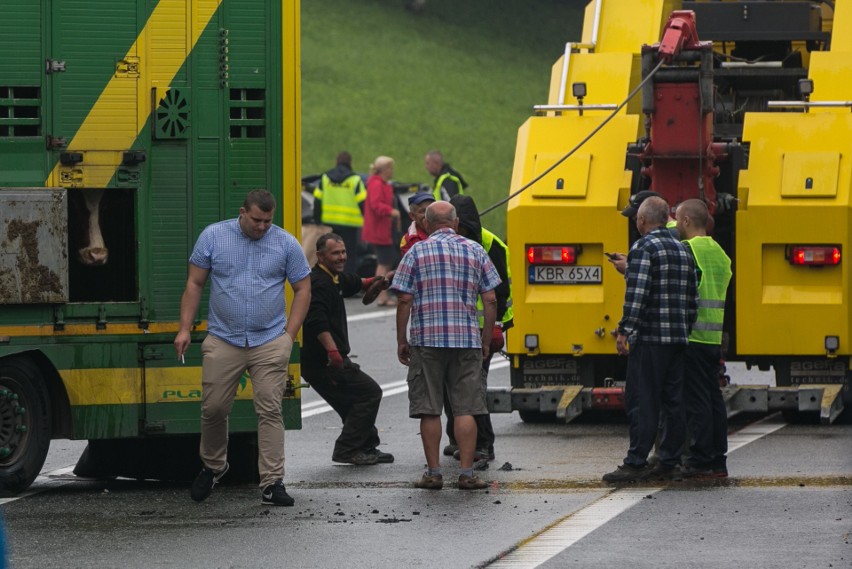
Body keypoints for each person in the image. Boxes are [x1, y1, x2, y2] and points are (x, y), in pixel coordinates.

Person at [174, 189, 311, 506]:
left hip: (269, 339)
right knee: (214, 408)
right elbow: (195, 283)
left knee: (269, 409)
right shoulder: (214, 236)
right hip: (224, 337)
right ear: (242, 212)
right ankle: (213, 466)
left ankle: (272, 481)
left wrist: (289, 336)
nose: (262, 226)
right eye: (257, 220)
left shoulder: (285, 242)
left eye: (268, 220)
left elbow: (303, 288)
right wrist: (184, 328)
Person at [392, 201, 501, 491]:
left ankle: (434, 473)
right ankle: (466, 473)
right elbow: (490, 299)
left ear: (426, 225)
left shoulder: (416, 251)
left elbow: (404, 299)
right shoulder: (476, 250)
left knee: (429, 409)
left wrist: (402, 340)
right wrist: (485, 339)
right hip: (466, 341)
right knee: (465, 408)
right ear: (454, 223)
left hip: (427, 341)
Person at [602, 196, 698, 483]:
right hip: (678, 339)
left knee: (642, 400)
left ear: (642, 220)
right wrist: (685, 328)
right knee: (672, 402)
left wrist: (624, 330)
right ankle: (669, 460)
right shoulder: (683, 250)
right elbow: (693, 297)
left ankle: (636, 461)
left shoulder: (643, 246)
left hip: (651, 339)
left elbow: (638, 293)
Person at [300, 233, 395, 466]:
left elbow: (354, 282)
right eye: (335, 253)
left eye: (343, 252)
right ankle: (347, 449)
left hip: (328, 359)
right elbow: (317, 321)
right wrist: (333, 353)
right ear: (320, 256)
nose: (342, 257)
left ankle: (366, 446)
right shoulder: (319, 283)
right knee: (370, 393)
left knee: (351, 402)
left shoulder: (333, 278)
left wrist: (376, 281)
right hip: (322, 360)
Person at [443, 194, 513, 462]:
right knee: (453, 387)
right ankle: (461, 438)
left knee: (472, 389)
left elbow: (499, 291)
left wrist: (494, 327)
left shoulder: (489, 244)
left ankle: (483, 445)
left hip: (483, 328)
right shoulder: (451, 242)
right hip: (459, 327)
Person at [675, 199, 732, 478]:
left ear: (686, 221)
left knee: (696, 401)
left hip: (693, 336)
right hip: (713, 338)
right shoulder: (720, 254)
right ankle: (718, 459)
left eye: (676, 220)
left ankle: (700, 460)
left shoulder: (687, 250)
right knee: (713, 399)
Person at [313, 151, 367, 273]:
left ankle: (332, 278)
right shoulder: (355, 180)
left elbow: (317, 200)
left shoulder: (325, 178)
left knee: (330, 253)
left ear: (337, 162)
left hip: (329, 223)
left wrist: (317, 220)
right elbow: (363, 203)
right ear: (350, 163)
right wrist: (368, 222)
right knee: (348, 254)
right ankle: (348, 282)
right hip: (350, 224)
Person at [363, 156, 402, 306]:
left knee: (385, 262)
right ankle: (382, 295)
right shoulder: (376, 184)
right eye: (390, 168)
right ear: (385, 169)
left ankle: (382, 295)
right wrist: (392, 212)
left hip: (383, 229)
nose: (392, 171)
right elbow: (376, 204)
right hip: (379, 231)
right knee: (384, 263)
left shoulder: (381, 183)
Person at [399, 192, 435, 256]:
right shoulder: (408, 240)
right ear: (412, 216)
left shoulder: (447, 229)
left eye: (431, 209)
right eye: (423, 211)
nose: (428, 214)